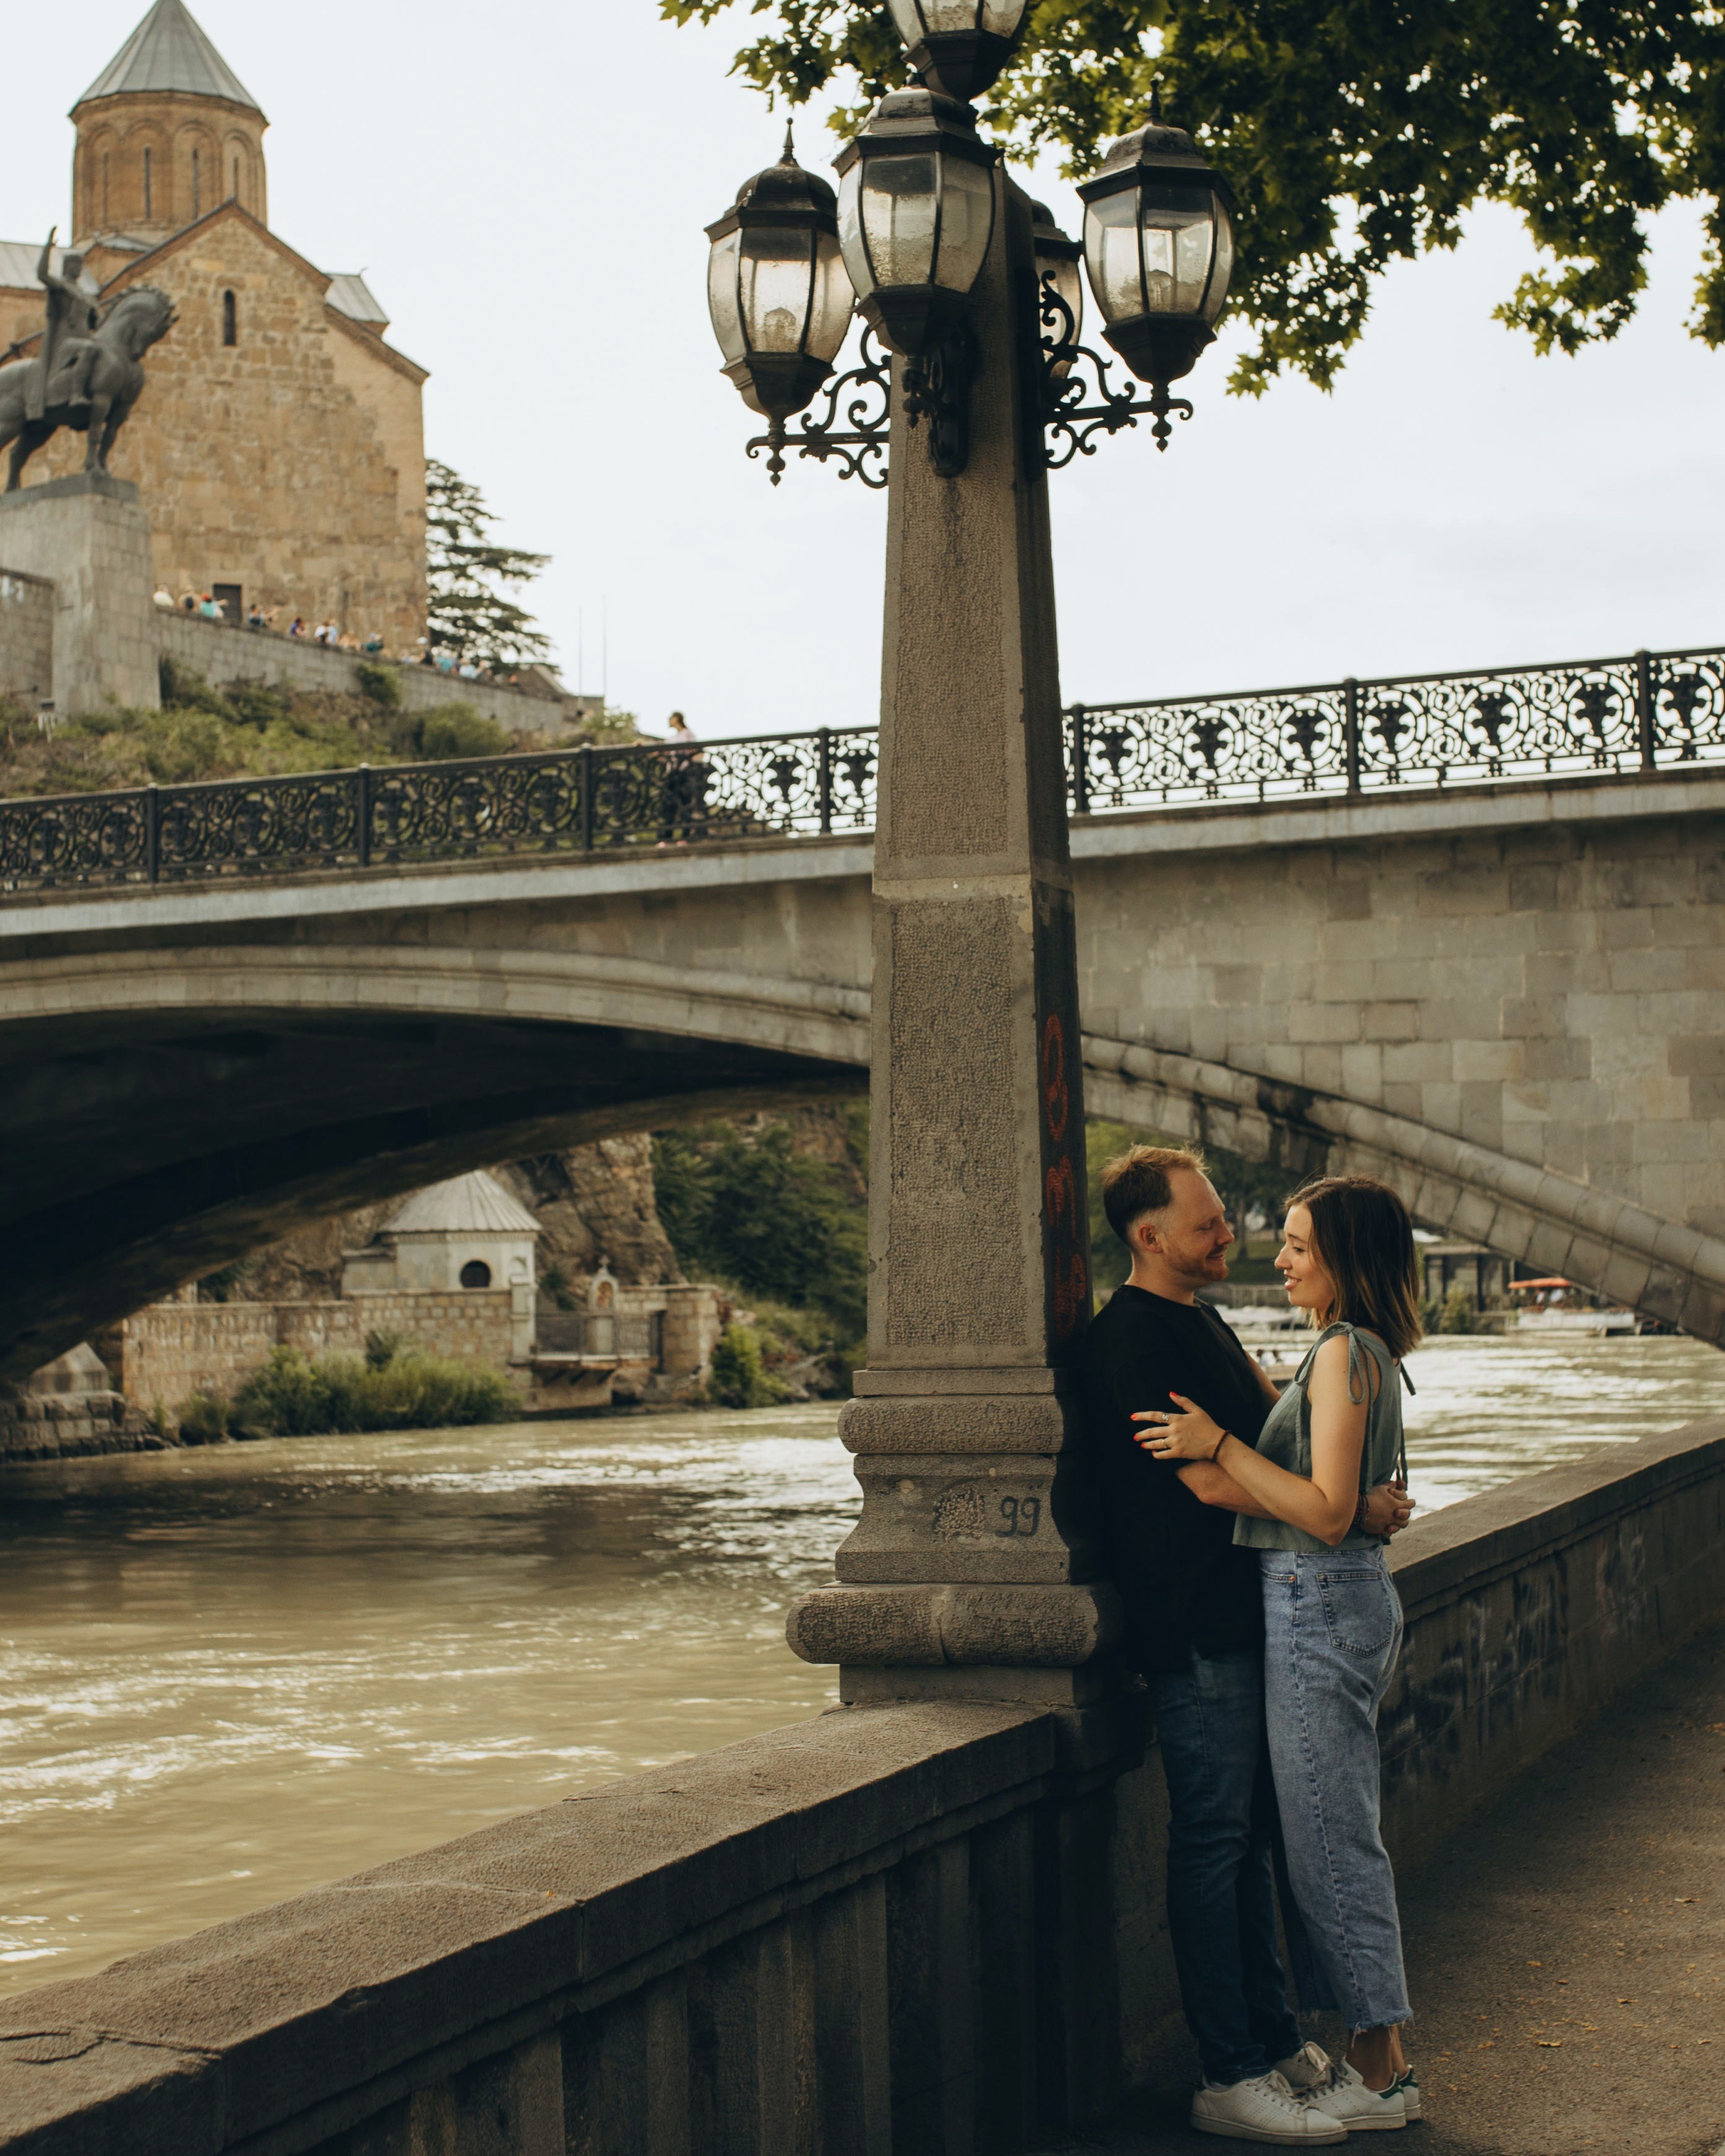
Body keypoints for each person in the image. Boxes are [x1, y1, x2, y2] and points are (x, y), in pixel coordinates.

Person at [1081, 1147, 1412, 2146]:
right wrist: (1344, 1516)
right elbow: (1218, 1484)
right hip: (1198, 1627)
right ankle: (1227, 2069)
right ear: (1150, 1238)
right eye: (1208, 1223)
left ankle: (1271, 2044)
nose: (1235, 1235)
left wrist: (1347, 1509)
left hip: (1270, 1615)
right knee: (1218, 1841)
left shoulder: (1206, 1322)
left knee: (1267, 1840)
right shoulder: (1131, 1345)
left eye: (1229, 1218)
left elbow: (1290, 1450)